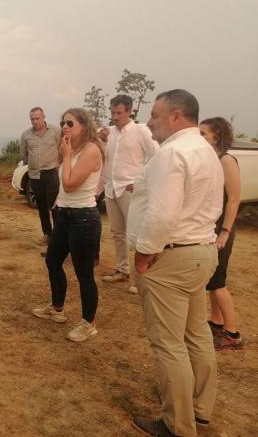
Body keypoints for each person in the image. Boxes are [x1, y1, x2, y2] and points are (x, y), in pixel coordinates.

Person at [128, 90, 223, 437]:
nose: (149, 121)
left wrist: (143, 253)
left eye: (155, 114)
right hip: (201, 252)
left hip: (171, 255)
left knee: (169, 343)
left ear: (176, 116)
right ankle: (199, 407)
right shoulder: (206, 151)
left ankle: (177, 424)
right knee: (196, 333)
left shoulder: (172, 153)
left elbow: (162, 214)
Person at [32, 108, 104, 343]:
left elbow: (71, 183)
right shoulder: (71, 148)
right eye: (63, 122)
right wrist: (57, 203)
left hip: (83, 218)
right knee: (52, 261)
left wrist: (65, 156)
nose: (65, 126)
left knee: (84, 274)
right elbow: (64, 187)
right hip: (64, 215)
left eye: (70, 123)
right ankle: (57, 309)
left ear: (84, 125)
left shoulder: (91, 150)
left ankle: (88, 323)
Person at [101, 95, 158, 294]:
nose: (115, 116)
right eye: (113, 112)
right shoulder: (110, 133)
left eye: (119, 113)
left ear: (129, 111)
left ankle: (140, 277)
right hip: (111, 188)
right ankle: (122, 269)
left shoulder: (141, 131)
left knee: (136, 234)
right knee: (118, 233)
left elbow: (156, 156)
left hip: (130, 189)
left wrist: (141, 181)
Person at [199, 117, 243, 351]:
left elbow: (234, 198)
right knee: (211, 279)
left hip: (221, 228)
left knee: (218, 282)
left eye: (203, 133)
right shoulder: (210, 159)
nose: (199, 137)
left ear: (217, 136)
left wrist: (225, 231)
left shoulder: (226, 160)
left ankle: (232, 333)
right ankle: (216, 323)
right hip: (209, 226)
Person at [19, 107, 60, 248]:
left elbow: (63, 149)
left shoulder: (55, 131)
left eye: (37, 118)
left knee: (55, 206)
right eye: (32, 119)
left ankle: (58, 236)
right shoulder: (26, 135)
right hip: (35, 176)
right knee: (41, 207)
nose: (35, 121)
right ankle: (47, 234)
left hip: (51, 173)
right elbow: (24, 155)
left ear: (44, 117)